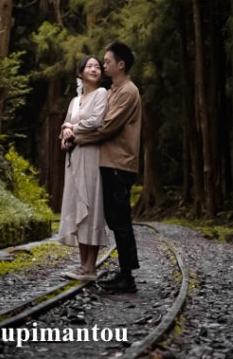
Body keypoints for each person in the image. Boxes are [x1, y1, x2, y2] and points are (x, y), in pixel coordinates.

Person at [66, 41, 141, 294]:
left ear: (121, 65)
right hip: (110, 163)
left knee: (120, 221)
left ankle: (127, 277)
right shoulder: (113, 91)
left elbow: (108, 127)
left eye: (107, 61)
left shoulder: (128, 91)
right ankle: (123, 273)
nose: (103, 64)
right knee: (114, 219)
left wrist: (76, 138)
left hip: (120, 163)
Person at [57, 55, 110, 280]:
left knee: (91, 205)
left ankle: (91, 266)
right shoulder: (74, 101)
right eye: (89, 66)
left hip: (91, 154)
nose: (94, 69)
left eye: (98, 66)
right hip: (74, 157)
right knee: (76, 205)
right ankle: (82, 265)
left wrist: (71, 126)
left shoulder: (101, 94)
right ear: (80, 73)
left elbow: (96, 121)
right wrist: (64, 135)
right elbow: (66, 129)